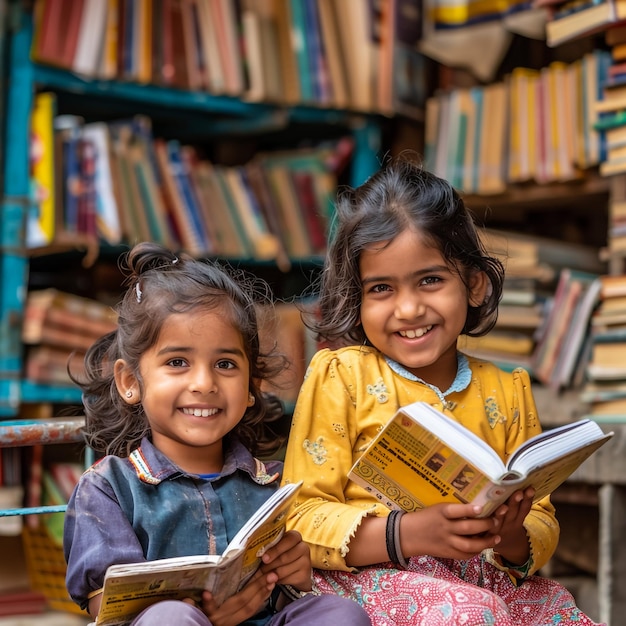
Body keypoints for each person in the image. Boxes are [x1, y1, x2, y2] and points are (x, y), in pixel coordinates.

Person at [280, 158, 604, 625]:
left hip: (482, 574)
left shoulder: (506, 389)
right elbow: (301, 518)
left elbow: (543, 520)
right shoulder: (342, 376)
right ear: (356, 296)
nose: (409, 308)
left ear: (472, 284)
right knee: (474, 612)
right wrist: (408, 533)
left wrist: (511, 534)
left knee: (560, 612)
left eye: (430, 280)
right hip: (370, 574)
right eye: (381, 289)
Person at [63, 242, 371, 626]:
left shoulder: (275, 484)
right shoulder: (109, 488)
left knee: (339, 613)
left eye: (225, 364)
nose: (204, 383)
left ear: (251, 384)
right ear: (130, 381)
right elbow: (104, 606)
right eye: (177, 362)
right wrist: (201, 615)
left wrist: (294, 573)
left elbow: (284, 595)